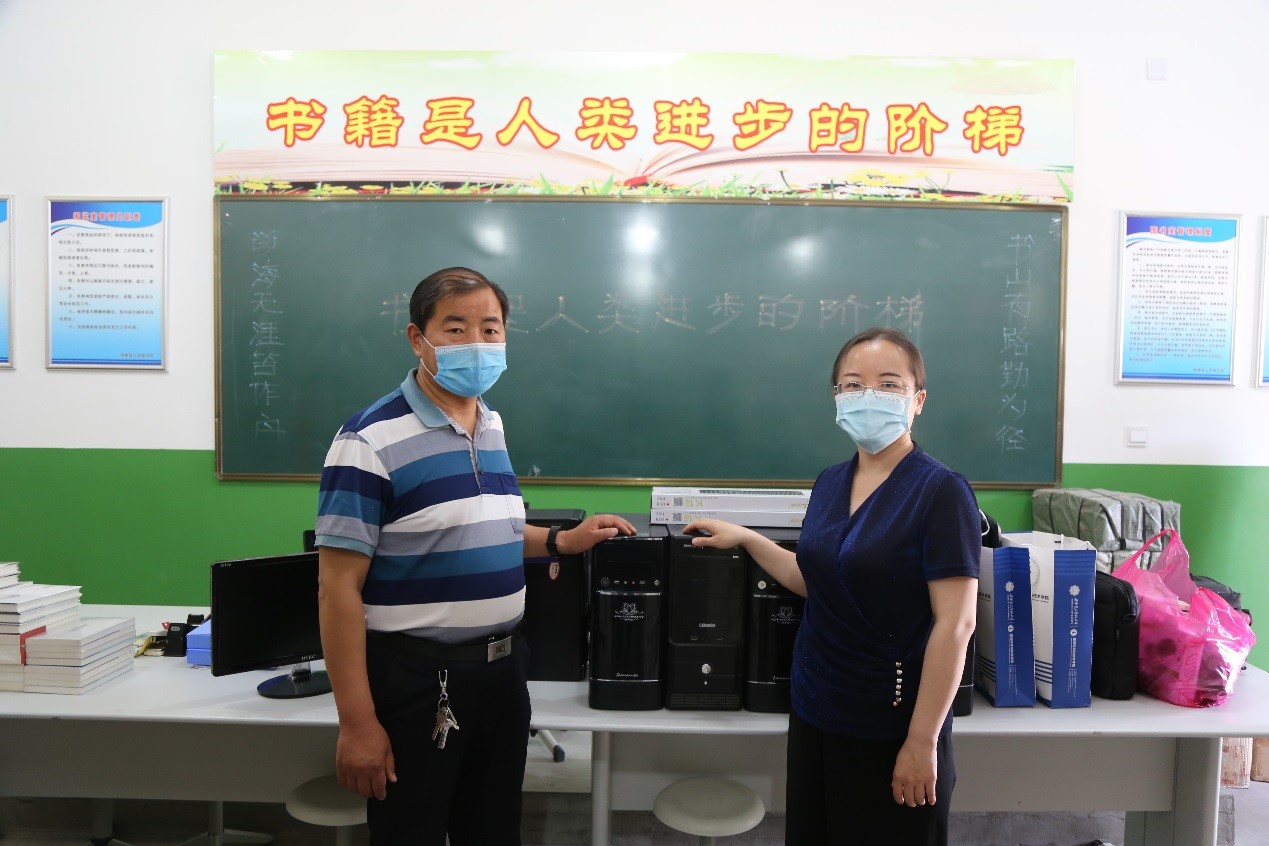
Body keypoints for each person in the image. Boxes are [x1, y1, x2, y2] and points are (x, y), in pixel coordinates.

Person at [313, 266, 635, 846]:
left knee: (494, 829)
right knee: (411, 833)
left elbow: (487, 525)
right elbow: (337, 589)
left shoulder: (490, 423)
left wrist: (562, 541)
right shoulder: (368, 441)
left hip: (503, 673)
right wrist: (356, 724)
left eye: (490, 328)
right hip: (419, 681)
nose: (477, 343)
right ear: (418, 339)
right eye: (456, 328)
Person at [685, 326, 980, 846]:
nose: (868, 396)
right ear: (836, 397)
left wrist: (921, 741)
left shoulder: (941, 492)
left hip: (891, 723)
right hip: (816, 710)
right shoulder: (829, 483)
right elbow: (816, 581)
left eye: (888, 385)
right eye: (852, 384)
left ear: (918, 400)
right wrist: (749, 538)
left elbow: (956, 625)